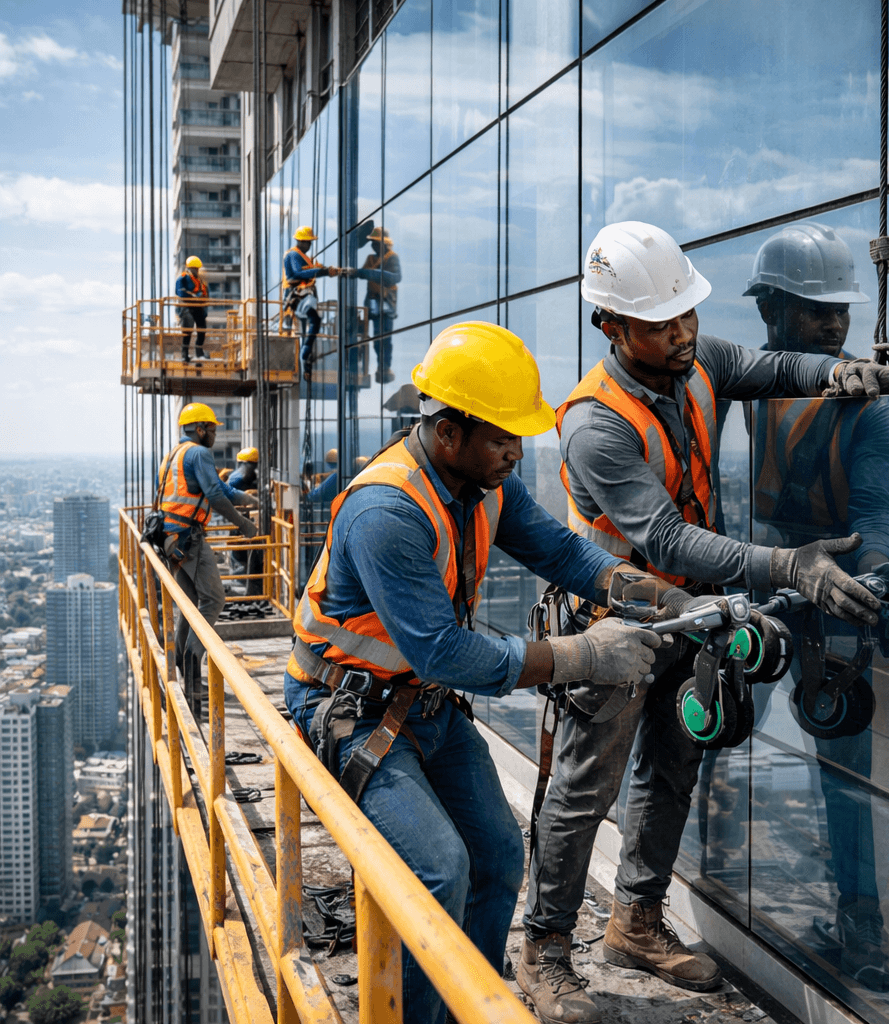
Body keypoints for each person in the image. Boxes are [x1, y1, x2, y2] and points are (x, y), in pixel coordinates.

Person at [517, 221, 889, 1024]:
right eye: (662, 324)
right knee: (587, 788)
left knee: (674, 769)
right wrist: (790, 567)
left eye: (688, 314)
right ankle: (546, 947)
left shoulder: (700, 360)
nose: (683, 333)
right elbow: (664, 536)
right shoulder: (595, 423)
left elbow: (774, 366)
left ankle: (637, 922)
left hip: (700, 617)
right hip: (625, 620)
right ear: (612, 327)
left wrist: (839, 372)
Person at [284, 321, 688, 1024]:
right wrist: (581, 656)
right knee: (439, 869)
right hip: (351, 713)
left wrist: (646, 591)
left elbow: (560, 552)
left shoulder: (481, 485)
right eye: (501, 436)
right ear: (448, 432)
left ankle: (467, 1004)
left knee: (499, 855)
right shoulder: (389, 512)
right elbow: (445, 652)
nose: (515, 451)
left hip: (422, 707)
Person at [738, 222, 889, 991]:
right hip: (767, 576)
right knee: (715, 720)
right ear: (772, 311)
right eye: (815, 310)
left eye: (839, 310)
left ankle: (863, 921)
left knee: (844, 764)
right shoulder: (753, 382)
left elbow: (874, 513)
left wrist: (874, 581)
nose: (835, 325)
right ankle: (668, 870)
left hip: (832, 582)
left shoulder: (871, 411)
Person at [158, 403, 258, 713]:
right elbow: (214, 496)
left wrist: (249, 499)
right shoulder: (199, 454)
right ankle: (192, 662)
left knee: (188, 608)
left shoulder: (176, 453)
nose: (215, 434)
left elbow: (220, 489)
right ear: (200, 429)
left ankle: (176, 674)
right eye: (212, 429)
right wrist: (243, 524)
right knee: (214, 600)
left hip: (170, 539)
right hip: (189, 539)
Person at [341, 226, 402, 383]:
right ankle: (361, 363)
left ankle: (384, 367)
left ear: (383, 243)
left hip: (386, 302)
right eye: (372, 243)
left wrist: (370, 274)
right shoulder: (371, 259)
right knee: (372, 337)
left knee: (384, 338)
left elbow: (395, 277)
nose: (373, 245)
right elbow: (362, 273)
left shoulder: (391, 258)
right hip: (373, 301)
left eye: (375, 242)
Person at [282, 226, 339, 380]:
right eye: (308, 242)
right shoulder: (293, 255)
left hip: (303, 297)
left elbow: (309, 271)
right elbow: (297, 274)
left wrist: (325, 270)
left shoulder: (303, 256)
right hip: (295, 297)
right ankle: (305, 356)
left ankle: (305, 360)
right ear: (301, 242)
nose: (310, 245)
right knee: (313, 321)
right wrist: (321, 271)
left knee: (309, 328)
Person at [176, 255, 209, 363]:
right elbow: (180, 292)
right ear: (189, 268)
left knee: (202, 328)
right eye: (194, 268)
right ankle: (184, 355)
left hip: (198, 307)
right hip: (186, 306)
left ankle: (199, 353)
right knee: (188, 328)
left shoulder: (199, 280)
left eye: (197, 269)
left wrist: (203, 302)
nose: (196, 270)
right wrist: (193, 296)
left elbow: (205, 293)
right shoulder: (183, 278)